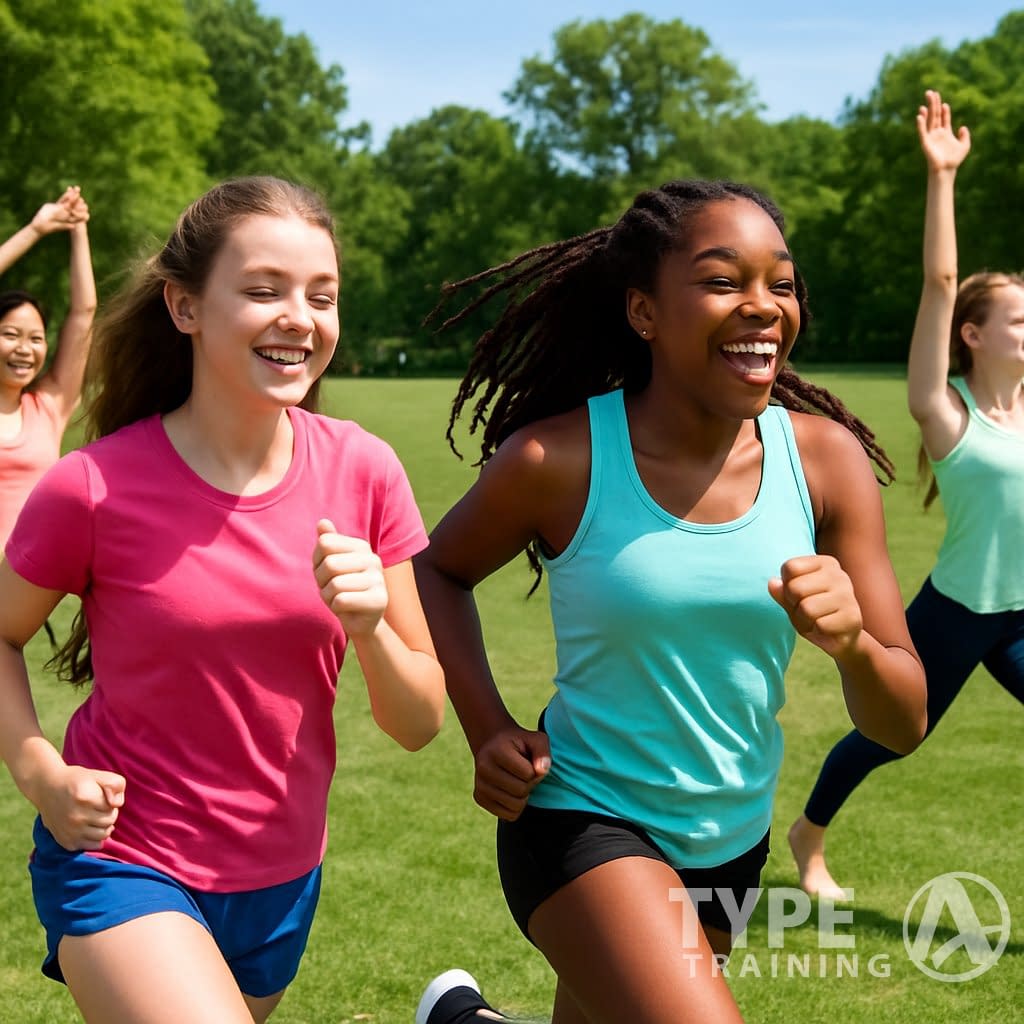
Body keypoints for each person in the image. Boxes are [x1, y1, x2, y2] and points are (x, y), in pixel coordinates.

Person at [412, 178, 928, 1024]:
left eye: (783, 284)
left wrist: (854, 647)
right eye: (724, 282)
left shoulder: (826, 462)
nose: (764, 307)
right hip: (581, 822)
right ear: (645, 313)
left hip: (730, 844)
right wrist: (486, 727)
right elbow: (436, 572)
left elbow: (901, 721)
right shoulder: (557, 457)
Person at [0, 176, 445, 1024]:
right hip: (122, 861)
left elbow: (419, 722)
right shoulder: (92, 486)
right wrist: (41, 773)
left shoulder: (365, 469)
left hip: (279, 880)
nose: (300, 318)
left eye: (323, 296)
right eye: (263, 290)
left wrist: (373, 630)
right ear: (185, 306)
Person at [789, 91, 1024, 900]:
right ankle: (808, 837)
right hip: (960, 610)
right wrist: (942, 178)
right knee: (895, 735)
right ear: (974, 335)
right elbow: (940, 280)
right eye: (1018, 321)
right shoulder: (946, 413)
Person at [0, 185, 95, 548]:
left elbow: (83, 314)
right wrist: (36, 230)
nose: (25, 349)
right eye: (11, 334)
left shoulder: (49, 407)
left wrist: (78, 230)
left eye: (36, 338)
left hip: (24, 589)